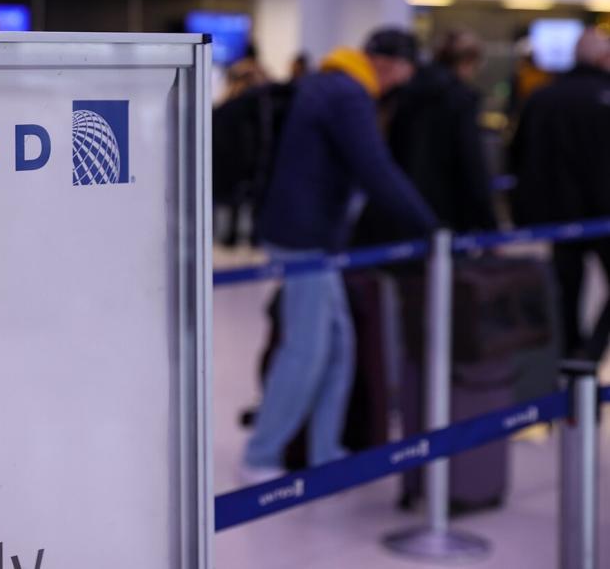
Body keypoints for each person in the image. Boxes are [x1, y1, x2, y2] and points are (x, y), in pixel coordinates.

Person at [241, 28, 437, 483]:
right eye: (402, 76)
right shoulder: (348, 93)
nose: (398, 87)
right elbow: (374, 168)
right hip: (303, 237)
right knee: (306, 350)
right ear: (388, 64)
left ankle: (325, 452)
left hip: (310, 235)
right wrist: (430, 224)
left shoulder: (329, 82)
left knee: (337, 347)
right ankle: (261, 455)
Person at [510, 28, 610, 359]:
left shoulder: (543, 97)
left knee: (566, 290)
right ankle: (590, 353)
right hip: (601, 212)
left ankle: (573, 355)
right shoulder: (601, 95)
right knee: (567, 289)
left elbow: (518, 156)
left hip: (558, 215)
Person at [354, 30, 498, 244]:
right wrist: (489, 226)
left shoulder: (401, 93)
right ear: (469, 62)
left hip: (394, 209)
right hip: (443, 213)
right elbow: (470, 164)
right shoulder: (459, 99)